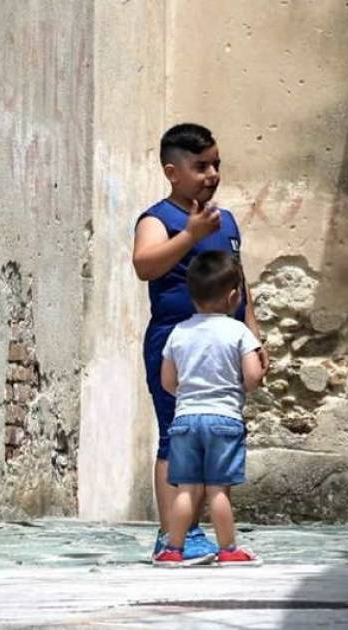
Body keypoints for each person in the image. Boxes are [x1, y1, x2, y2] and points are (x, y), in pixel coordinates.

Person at [132, 123, 268, 563]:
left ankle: (195, 532)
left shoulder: (224, 220)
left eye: (216, 165)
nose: (211, 174)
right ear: (172, 172)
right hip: (178, 340)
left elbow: (238, 280)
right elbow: (144, 265)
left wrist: (253, 332)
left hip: (225, 344)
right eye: (200, 166)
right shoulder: (159, 219)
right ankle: (172, 535)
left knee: (214, 431)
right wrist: (188, 235)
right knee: (178, 433)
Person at [152, 251, 265, 567]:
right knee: (218, 491)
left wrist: (189, 395)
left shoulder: (179, 332)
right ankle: (229, 549)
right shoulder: (238, 331)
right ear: (233, 297)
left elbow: (167, 381)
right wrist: (240, 387)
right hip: (224, 419)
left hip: (185, 418)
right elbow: (253, 377)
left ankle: (173, 549)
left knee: (186, 489)